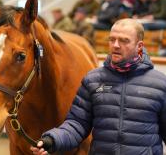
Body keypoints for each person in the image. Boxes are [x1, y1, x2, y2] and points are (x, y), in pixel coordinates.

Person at [31, 18, 166, 155]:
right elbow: (77, 124)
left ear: (140, 46)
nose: (116, 45)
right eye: (112, 39)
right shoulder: (93, 80)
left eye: (124, 41)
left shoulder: (160, 85)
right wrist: (52, 140)